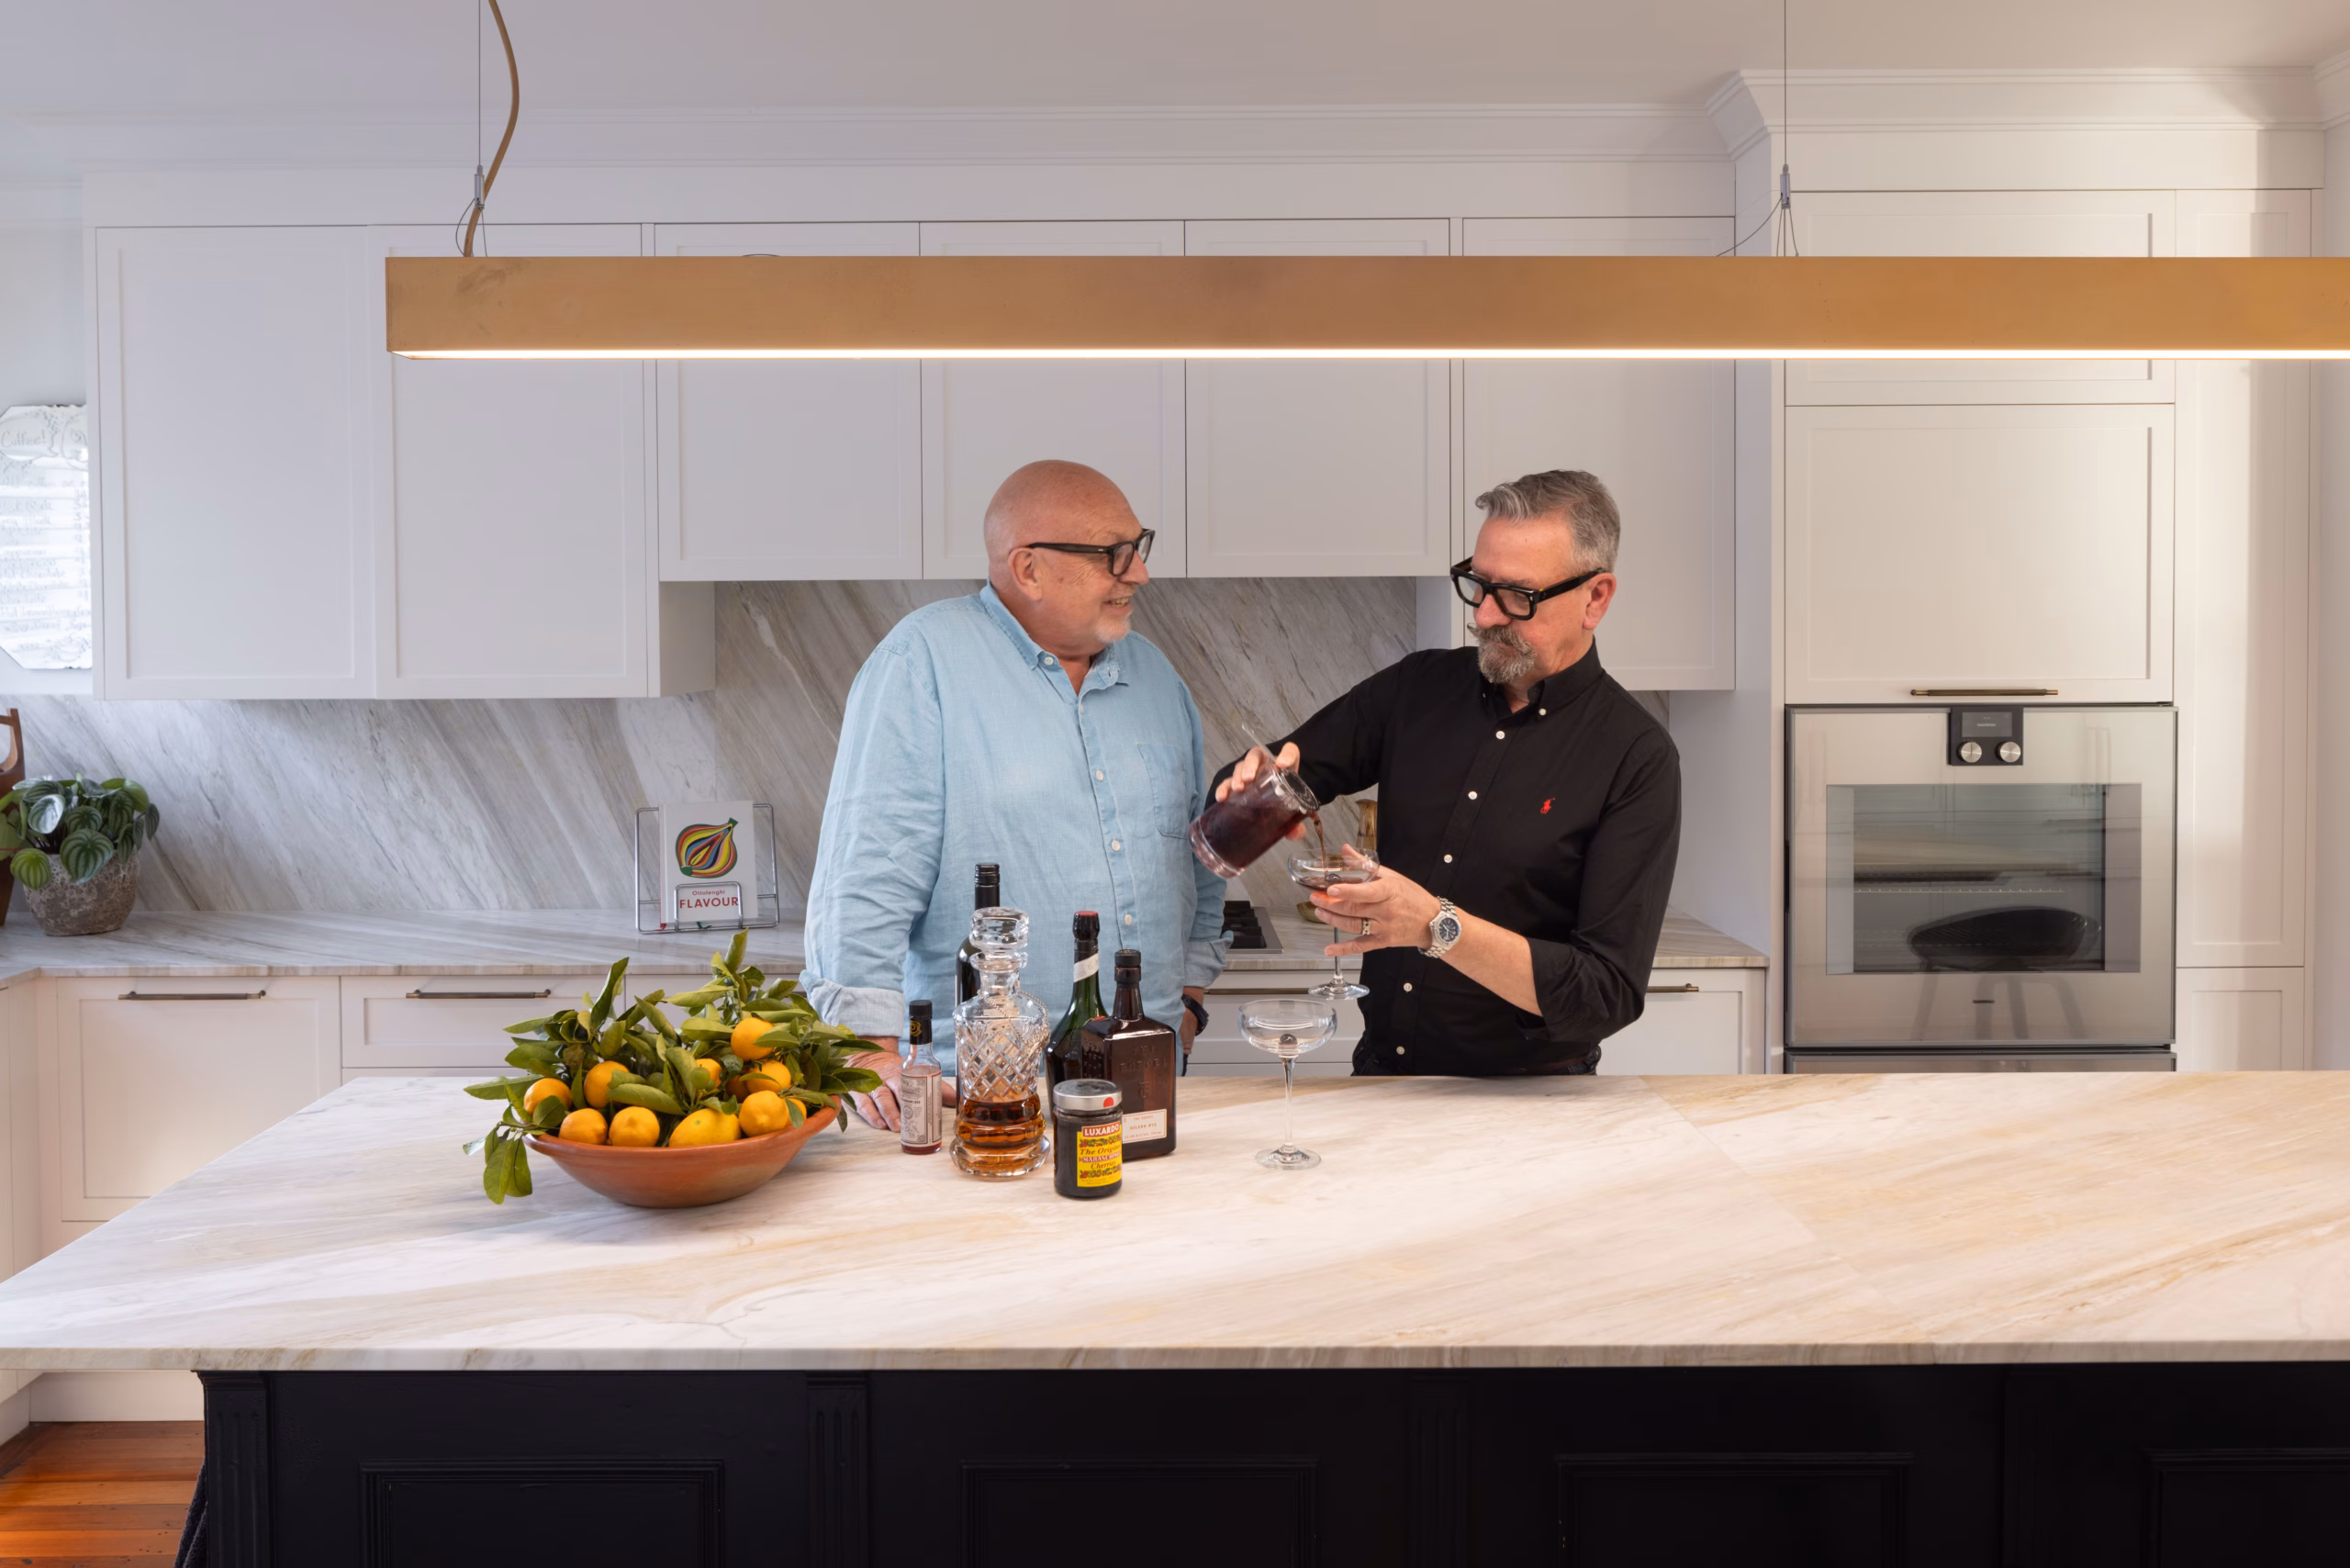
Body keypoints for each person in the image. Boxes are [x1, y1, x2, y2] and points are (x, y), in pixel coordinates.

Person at [803, 460, 1228, 1126]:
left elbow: (1198, 856)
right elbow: (866, 875)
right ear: (1028, 568)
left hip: (1148, 1085)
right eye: (1113, 555)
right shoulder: (921, 664)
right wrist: (867, 1052)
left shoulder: (1155, 676)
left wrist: (1192, 998)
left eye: (1138, 548)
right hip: (981, 1098)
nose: (1139, 573)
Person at [1214, 468, 1679, 1076]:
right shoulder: (1417, 687)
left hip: (1534, 1100)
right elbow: (1283, 773)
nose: (1484, 616)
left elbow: (1604, 994)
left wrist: (1438, 927)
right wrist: (1250, 789)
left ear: (1596, 597)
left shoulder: (1636, 755)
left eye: (1518, 596)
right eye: (1477, 584)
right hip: (1382, 1080)